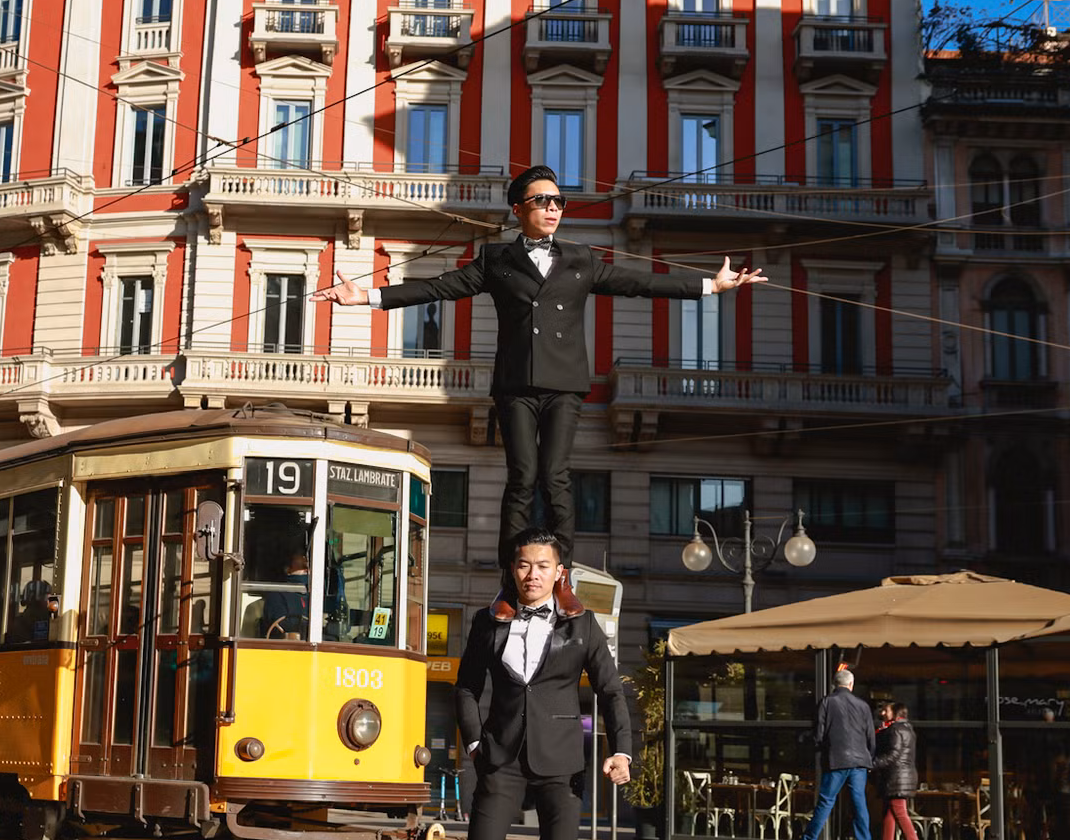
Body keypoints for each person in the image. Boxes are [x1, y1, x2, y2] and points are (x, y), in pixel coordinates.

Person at [316, 164, 764, 568]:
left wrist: (709, 285)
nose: (552, 208)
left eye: (558, 201)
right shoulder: (497, 260)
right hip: (515, 385)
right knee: (522, 477)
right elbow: (439, 287)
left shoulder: (580, 258)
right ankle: (514, 572)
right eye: (541, 201)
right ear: (519, 209)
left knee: (556, 478)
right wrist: (369, 296)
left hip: (565, 383)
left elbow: (638, 282)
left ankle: (559, 571)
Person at [434, 528, 635, 840]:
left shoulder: (581, 625)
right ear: (513, 569)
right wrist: (477, 740)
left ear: (558, 571)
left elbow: (610, 690)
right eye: (524, 565)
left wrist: (622, 752)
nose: (532, 574)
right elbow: (465, 687)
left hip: (561, 763)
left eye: (542, 566)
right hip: (501, 761)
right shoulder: (489, 621)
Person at [794, 669, 876, 840]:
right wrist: (868, 758)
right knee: (859, 804)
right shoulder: (863, 706)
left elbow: (818, 734)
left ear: (834, 684)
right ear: (851, 685)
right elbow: (871, 737)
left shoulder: (827, 702)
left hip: (836, 759)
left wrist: (822, 750)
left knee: (826, 801)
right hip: (859, 762)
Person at [870, 702, 923, 840]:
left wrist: (872, 764)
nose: (883, 713)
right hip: (902, 775)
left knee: (899, 811)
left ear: (896, 712)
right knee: (889, 811)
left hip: (896, 777)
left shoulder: (895, 730)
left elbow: (893, 755)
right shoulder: (907, 729)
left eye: (886, 710)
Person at [259, 552, 311, 639]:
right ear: (288, 570)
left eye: (308, 569)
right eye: (301, 568)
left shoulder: (316, 594)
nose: (306, 572)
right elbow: (280, 626)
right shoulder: (277, 595)